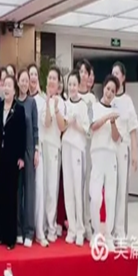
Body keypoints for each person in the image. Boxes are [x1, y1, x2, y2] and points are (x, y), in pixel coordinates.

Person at [89, 75, 121, 251]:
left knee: (110, 197)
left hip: (111, 157)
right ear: (103, 88)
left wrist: (113, 122)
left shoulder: (117, 112)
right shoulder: (94, 107)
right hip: (97, 154)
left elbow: (116, 138)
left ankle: (108, 235)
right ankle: (96, 233)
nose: (109, 93)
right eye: (108, 89)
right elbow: (93, 126)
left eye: (113, 91)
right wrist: (107, 117)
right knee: (96, 197)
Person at [111, 62, 138, 243]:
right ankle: (111, 229)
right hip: (110, 149)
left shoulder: (127, 101)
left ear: (123, 77)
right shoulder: (109, 98)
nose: (114, 76)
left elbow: (133, 128)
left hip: (123, 149)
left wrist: (135, 152)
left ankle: (120, 232)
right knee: (111, 190)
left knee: (122, 190)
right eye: (112, 73)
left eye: (117, 73)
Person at [0, 75, 26, 249]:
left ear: (14, 90)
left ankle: (11, 237)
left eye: (9, 85)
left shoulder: (19, 109)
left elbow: (23, 133)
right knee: (1, 195)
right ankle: (1, 234)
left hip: (13, 157)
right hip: (0, 156)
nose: (6, 88)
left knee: (11, 197)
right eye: (4, 85)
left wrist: (21, 156)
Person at [62, 70, 90, 247]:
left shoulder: (83, 105)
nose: (72, 87)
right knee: (68, 189)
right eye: (70, 84)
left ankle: (80, 229)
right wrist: (67, 123)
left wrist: (76, 123)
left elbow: (87, 130)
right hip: (66, 146)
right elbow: (62, 126)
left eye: (74, 84)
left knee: (78, 190)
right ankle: (72, 229)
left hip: (78, 148)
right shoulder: (65, 104)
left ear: (79, 85)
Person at [40, 66, 66, 243]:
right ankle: (42, 225)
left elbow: (62, 127)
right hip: (43, 147)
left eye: (54, 78)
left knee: (52, 189)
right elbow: (46, 123)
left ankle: (51, 226)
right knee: (43, 188)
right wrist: (49, 102)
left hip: (54, 148)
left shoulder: (62, 103)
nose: (51, 81)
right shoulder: (44, 101)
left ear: (58, 83)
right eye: (49, 78)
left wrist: (55, 107)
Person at [16, 68, 38, 248]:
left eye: (26, 80)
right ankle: (18, 230)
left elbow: (35, 129)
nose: (24, 83)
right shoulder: (14, 103)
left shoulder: (32, 103)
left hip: (29, 151)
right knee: (17, 192)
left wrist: (36, 150)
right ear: (17, 82)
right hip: (17, 153)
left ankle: (29, 231)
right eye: (21, 80)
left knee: (29, 192)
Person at [28, 63, 48, 247]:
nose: (33, 77)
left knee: (39, 190)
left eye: (35, 74)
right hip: (24, 150)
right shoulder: (23, 100)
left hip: (38, 149)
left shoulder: (42, 101)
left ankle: (40, 231)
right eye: (30, 74)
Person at [76, 59, 96, 241]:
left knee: (86, 186)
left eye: (85, 72)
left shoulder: (91, 99)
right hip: (74, 145)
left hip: (88, 144)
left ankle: (88, 223)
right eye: (80, 71)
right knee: (76, 186)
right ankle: (77, 224)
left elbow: (91, 124)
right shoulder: (73, 95)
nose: (83, 75)